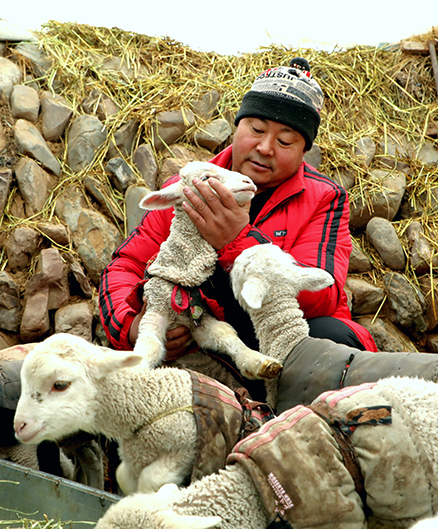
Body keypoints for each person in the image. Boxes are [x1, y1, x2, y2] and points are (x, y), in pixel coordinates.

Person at [99, 57, 377, 374]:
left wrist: (236, 241)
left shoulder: (324, 198)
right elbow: (125, 266)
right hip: (209, 342)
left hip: (286, 341)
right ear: (238, 125)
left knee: (330, 336)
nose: (265, 147)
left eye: (285, 140)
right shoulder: (191, 189)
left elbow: (320, 297)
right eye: (256, 129)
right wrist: (132, 326)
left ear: (304, 150)